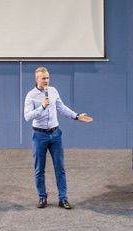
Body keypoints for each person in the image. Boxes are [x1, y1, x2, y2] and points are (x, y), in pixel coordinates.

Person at [23, 66, 93, 209]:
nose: (46, 80)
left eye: (48, 77)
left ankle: (63, 198)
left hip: (55, 134)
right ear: (37, 79)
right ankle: (42, 197)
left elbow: (61, 107)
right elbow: (27, 116)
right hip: (39, 135)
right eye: (43, 78)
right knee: (39, 169)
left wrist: (76, 116)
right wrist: (42, 107)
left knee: (60, 168)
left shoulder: (53, 91)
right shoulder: (31, 95)